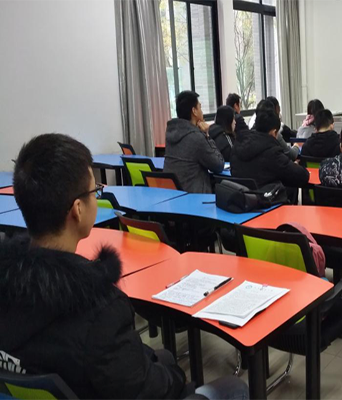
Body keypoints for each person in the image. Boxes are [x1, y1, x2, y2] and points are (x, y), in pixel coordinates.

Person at [0, 133, 249, 400]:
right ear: (77, 210)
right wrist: (177, 376)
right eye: (95, 192)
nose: (97, 196)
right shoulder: (99, 311)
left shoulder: (8, 288)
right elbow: (151, 391)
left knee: (162, 356)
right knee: (233, 389)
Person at [231, 108, 309, 188]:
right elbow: (303, 176)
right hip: (266, 195)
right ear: (273, 132)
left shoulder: (237, 146)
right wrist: (294, 165)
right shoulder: (272, 153)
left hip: (241, 194)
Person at [163, 90, 224, 193]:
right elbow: (219, 165)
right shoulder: (196, 137)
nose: (202, 111)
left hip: (174, 196)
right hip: (196, 196)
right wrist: (207, 136)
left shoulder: (171, 134)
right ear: (194, 111)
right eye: (200, 107)